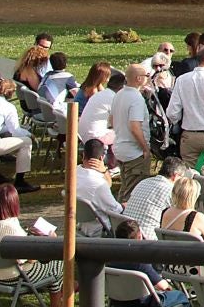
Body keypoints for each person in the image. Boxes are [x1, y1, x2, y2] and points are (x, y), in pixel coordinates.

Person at [111, 217, 193, 307]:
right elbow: (164, 286)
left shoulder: (108, 260)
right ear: (139, 237)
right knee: (179, 298)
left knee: (163, 302)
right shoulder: (139, 263)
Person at [0, 76, 39, 193]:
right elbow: (15, 131)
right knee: (26, 142)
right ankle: (20, 182)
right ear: (9, 93)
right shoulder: (8, 107)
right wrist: (29, 134)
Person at [111, 64, 155, 196]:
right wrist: (145, 149)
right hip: (134, 152)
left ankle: (119, 208)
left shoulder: (119, 94)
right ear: (138, 78)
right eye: (146, 75)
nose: (148, 78)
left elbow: (111, 119)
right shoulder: (136, 98)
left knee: (125, 188)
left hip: (120, 148)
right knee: (133, 193)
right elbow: (135, 127)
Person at [78, 137, 127, 229]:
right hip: (101, 228)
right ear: (102, 158)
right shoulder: (99, 184)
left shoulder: (73, 173)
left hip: (79, 224)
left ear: (83, 155)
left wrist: (104, 171)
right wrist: (125, 205)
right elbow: (116, 210)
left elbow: (108, 185)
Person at [124, 154, 185, 227]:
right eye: (182, 177)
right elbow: (180, 216)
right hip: (149, 232)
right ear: (175, 176)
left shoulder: (143, 182)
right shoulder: (171, 190)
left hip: (126, 229)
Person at [159, 174, 204, 239]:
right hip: (189, 246)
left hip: (167, 246)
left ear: (174, 193)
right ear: (194, 196)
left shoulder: (165, 212)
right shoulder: (197, 217)